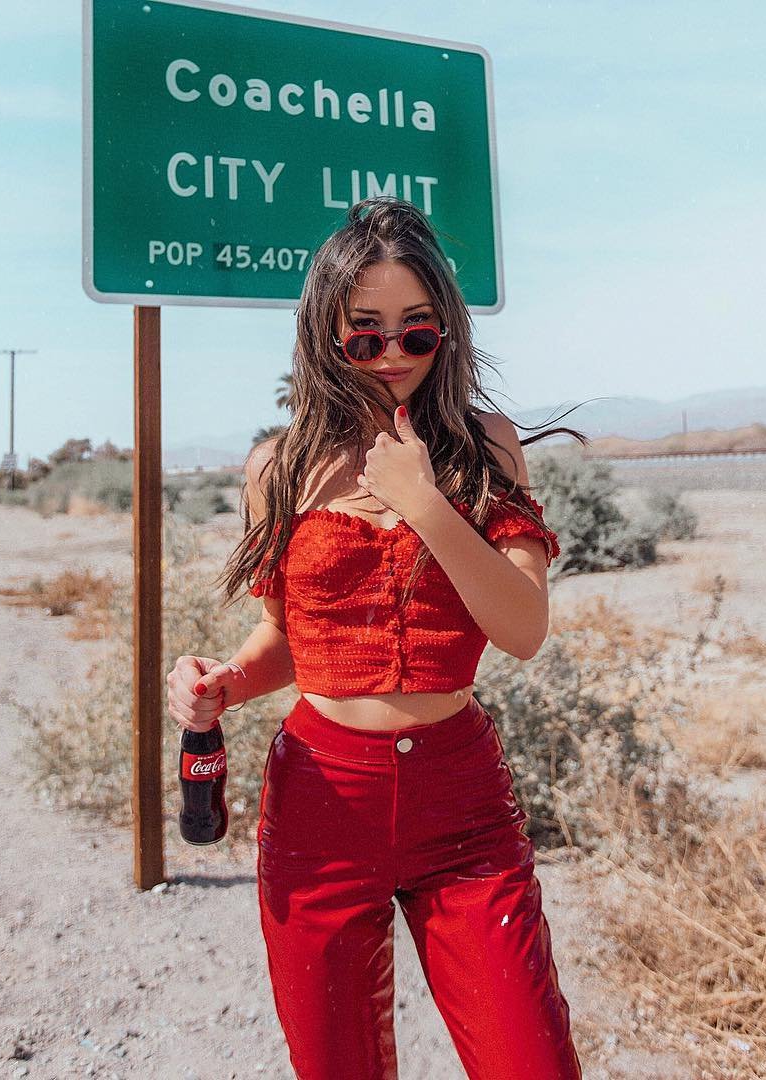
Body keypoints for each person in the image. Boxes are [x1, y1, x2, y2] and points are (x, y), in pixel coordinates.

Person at [167, 197, 586, 1079]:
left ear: (447, 333)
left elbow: (521, 629)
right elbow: (289, 637)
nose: (392, 355)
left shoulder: (486, 447)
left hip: (462, 803)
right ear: (326, 335)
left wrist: (426, 502)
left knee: (532, 1063)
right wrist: (221, 684)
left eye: (416, 332)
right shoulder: (277, 466)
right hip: (322, 804)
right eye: (365, 334)